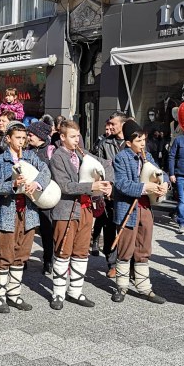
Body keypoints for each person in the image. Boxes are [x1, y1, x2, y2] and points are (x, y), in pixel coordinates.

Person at [49, 120, 113, 310]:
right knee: (63, 251)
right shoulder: (57, 157)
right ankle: (58, 294)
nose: (77, 140)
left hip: (86, 209)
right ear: (62, 137)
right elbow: (65, 186)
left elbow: (107, 164)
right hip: (66, 210)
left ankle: (75, 291)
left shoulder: (81, 152)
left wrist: (107, 182)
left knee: (81, 251)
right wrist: (91, 186)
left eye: (78, 136)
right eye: (72, 136)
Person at [0, 122, 50, 313]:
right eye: (18, 138)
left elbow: (46, 171)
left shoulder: (31, 156)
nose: (22, 141)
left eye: (24, 138)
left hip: (29, 213)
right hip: (8, 213)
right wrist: (13, 185)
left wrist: (37, 184)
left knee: (21, 255)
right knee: (5, 253)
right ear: (8, 138)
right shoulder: (0, 160)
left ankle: (14, 294)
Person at [111, 120, 167, 304]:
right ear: (128, 143)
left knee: (144, 247)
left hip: (145, 208)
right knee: (126, 247)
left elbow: (161, 173)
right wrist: (145, 187)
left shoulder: (148, 156)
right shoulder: (121, 158)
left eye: (144, 139)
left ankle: (144, 288)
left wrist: (164, 183)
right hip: (128, 207)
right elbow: (121, 184)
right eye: (139, 141)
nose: (143, 144)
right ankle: (122, 286)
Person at [91, 112, 127, 276]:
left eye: (113, 124)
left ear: (122, 124)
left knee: (127, 229)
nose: (110, 127)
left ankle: (128, 264)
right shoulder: (104, 143)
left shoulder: (131, 142)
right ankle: (112, 263)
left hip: (127, 192)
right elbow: (97, 168)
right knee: (109, 228)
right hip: (109, 193)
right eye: (109, 124)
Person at [27, 120, 55, 274]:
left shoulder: (51, 151)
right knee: (27, 228)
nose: (28, 137)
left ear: (40, 136)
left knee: (46, 229)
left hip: (45, 195)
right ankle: (23, 259)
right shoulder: (28, 150)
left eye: (31, 134)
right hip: (29, 195)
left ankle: (48, 260)